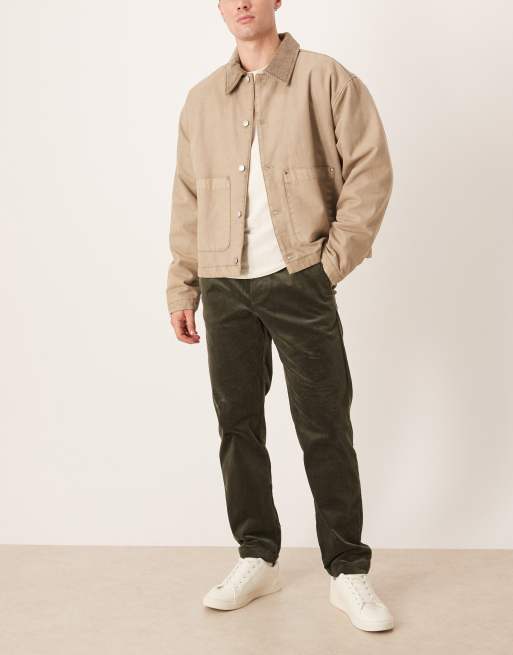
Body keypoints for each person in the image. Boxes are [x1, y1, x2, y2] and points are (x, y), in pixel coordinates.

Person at [166, 0, 394, 633]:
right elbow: (188, 198)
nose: (241, 3)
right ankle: (256, 555)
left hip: (300, 278)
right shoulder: (202, 100)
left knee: (324, 423)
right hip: (223, 283)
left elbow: (370, 170)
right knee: (237, 424)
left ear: (275, 0)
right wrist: (184, 284)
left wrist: (328, 265)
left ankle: (347, 570)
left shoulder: (325, 77)